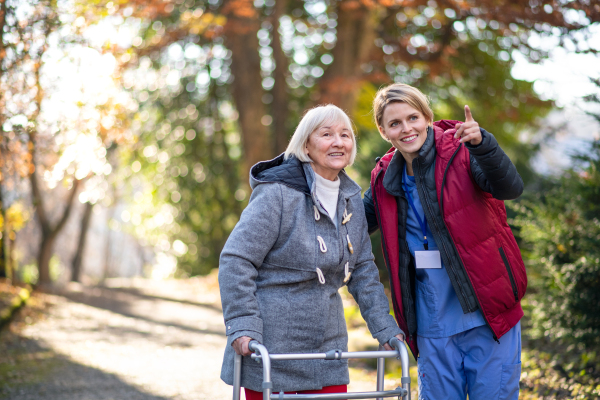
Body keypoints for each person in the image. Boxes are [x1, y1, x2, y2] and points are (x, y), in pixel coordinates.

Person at [219, 104, 403, 400]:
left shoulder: (351, 200)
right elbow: (236, 259)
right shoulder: (277, 193)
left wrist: (385, 329)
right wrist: (242, 325)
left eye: (345, 135)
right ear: (306, 144)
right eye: (327, 134)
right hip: (271, 344)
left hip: (327, 347)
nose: (338, 142)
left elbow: (364, 271)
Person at [363, 83, 527, 400]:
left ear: (427, 116)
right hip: (431, 322)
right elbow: (351, 224)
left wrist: (483, 145)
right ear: (384, 131)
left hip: (488, 315)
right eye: (395, 123)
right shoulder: (384, 178)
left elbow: (509, 187)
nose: (406, 129)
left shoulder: (462, 151)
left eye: (413, 117)